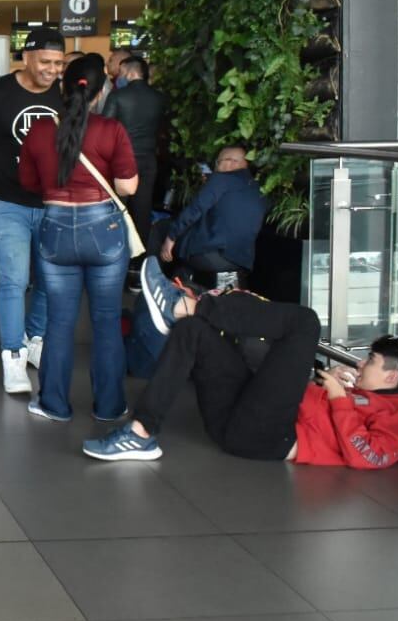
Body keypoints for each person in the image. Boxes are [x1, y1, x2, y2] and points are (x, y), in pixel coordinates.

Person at [85, 268, 398, 466]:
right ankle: (141, 433)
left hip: (269, 437)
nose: (362, 364)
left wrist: (339, 399)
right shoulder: (366, 393)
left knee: (305, 323)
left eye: (372, 362)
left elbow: (368, 456)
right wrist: (324, 386)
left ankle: (186, 305)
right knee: (194, 333)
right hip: (241, 418)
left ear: (392, 377)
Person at [19, 54, 138, 422]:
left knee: (58, 322)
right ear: (100, 93)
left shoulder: (40, 130)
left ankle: (54, 404)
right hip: (104, 230)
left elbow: (28, 183)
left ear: (63, 88)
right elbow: (128, 186)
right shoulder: (110, 129)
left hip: (55, 230)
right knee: (106, 321)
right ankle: (110, 406)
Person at [0, 26, 66, 394]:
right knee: (14, 280)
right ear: (26, 57)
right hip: (6, 202)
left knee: (50, 281)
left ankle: (35, 337)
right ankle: (13, 354)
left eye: (58, 64)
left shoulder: (65, 95)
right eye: (46, 62)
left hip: (53, 203)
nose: (53, 70)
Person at [161, 146, 267, 288]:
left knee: (163, 228)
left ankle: (154, 284)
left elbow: (195, 209)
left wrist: (170, 237)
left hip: (211, 254)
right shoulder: (258, 188)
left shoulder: (221, 179)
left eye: (217, 162)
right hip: (242, 261)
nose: (215, 168)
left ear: (230, 162)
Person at [100, 55, 165, 262]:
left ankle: (113, 255)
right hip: (148, 161)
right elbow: (163, 131)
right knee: (143, 210)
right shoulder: (159, 98)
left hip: (122, 161)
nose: (119, 76)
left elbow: (104, 128)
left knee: (117, 208)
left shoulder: (118, 96)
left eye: (121, 72)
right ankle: (139, 261)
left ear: (129, 72)